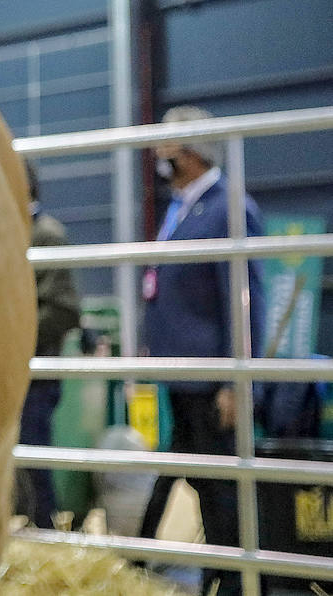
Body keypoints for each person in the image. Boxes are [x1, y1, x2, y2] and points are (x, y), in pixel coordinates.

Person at [139, 105, 264, 596]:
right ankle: (211, 571)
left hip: (211, 378)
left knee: (219, 485)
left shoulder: (227, 206)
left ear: (189, 152)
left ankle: (232, 580)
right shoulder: (185, 207)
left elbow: (244, 300)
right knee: (196, 476)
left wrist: (236, 379)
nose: (158, 159)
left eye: (165, 149)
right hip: (182, 375)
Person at [17, 160, 81, 529]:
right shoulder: (11, 232)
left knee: (33, 454)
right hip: (9, 369)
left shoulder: (47, 234)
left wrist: (10, 333)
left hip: (36, 369)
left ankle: (44, 530)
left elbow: (64, 310)